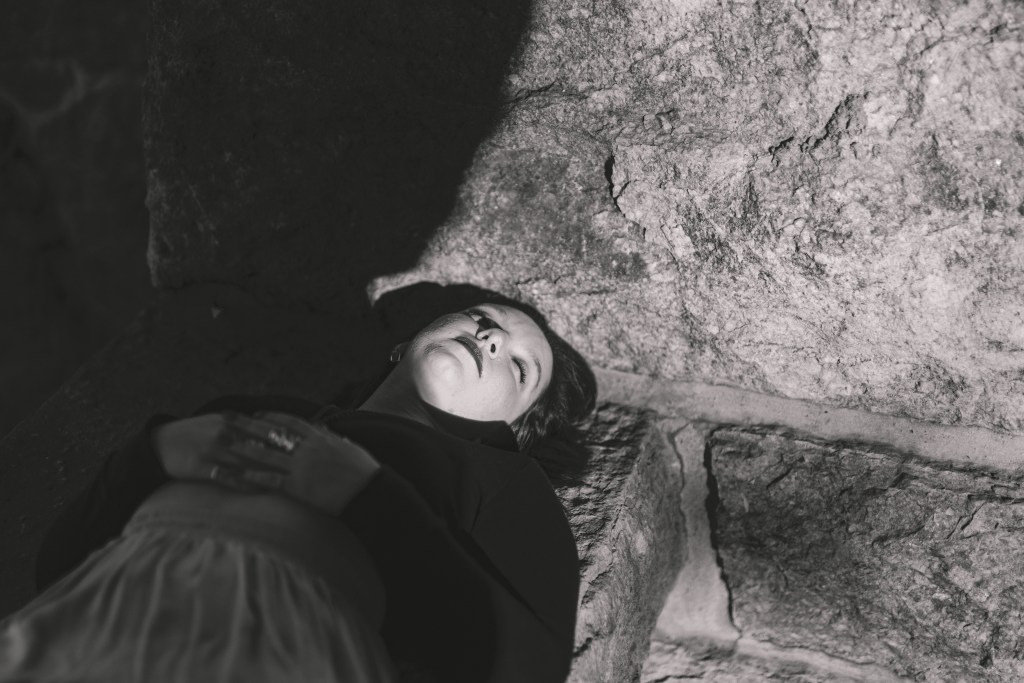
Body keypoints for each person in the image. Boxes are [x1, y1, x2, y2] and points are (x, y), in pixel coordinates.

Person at [0, 301, 596, 683]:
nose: (489, 337)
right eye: (481, 317)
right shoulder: (255, 407)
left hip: (280, 641)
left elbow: (525, 665)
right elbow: (59, 565)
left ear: (513, 433)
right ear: (406, 342)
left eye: (520, 367)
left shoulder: (504, 480)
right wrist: (153, 454)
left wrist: (364, 496)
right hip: (103, 605)